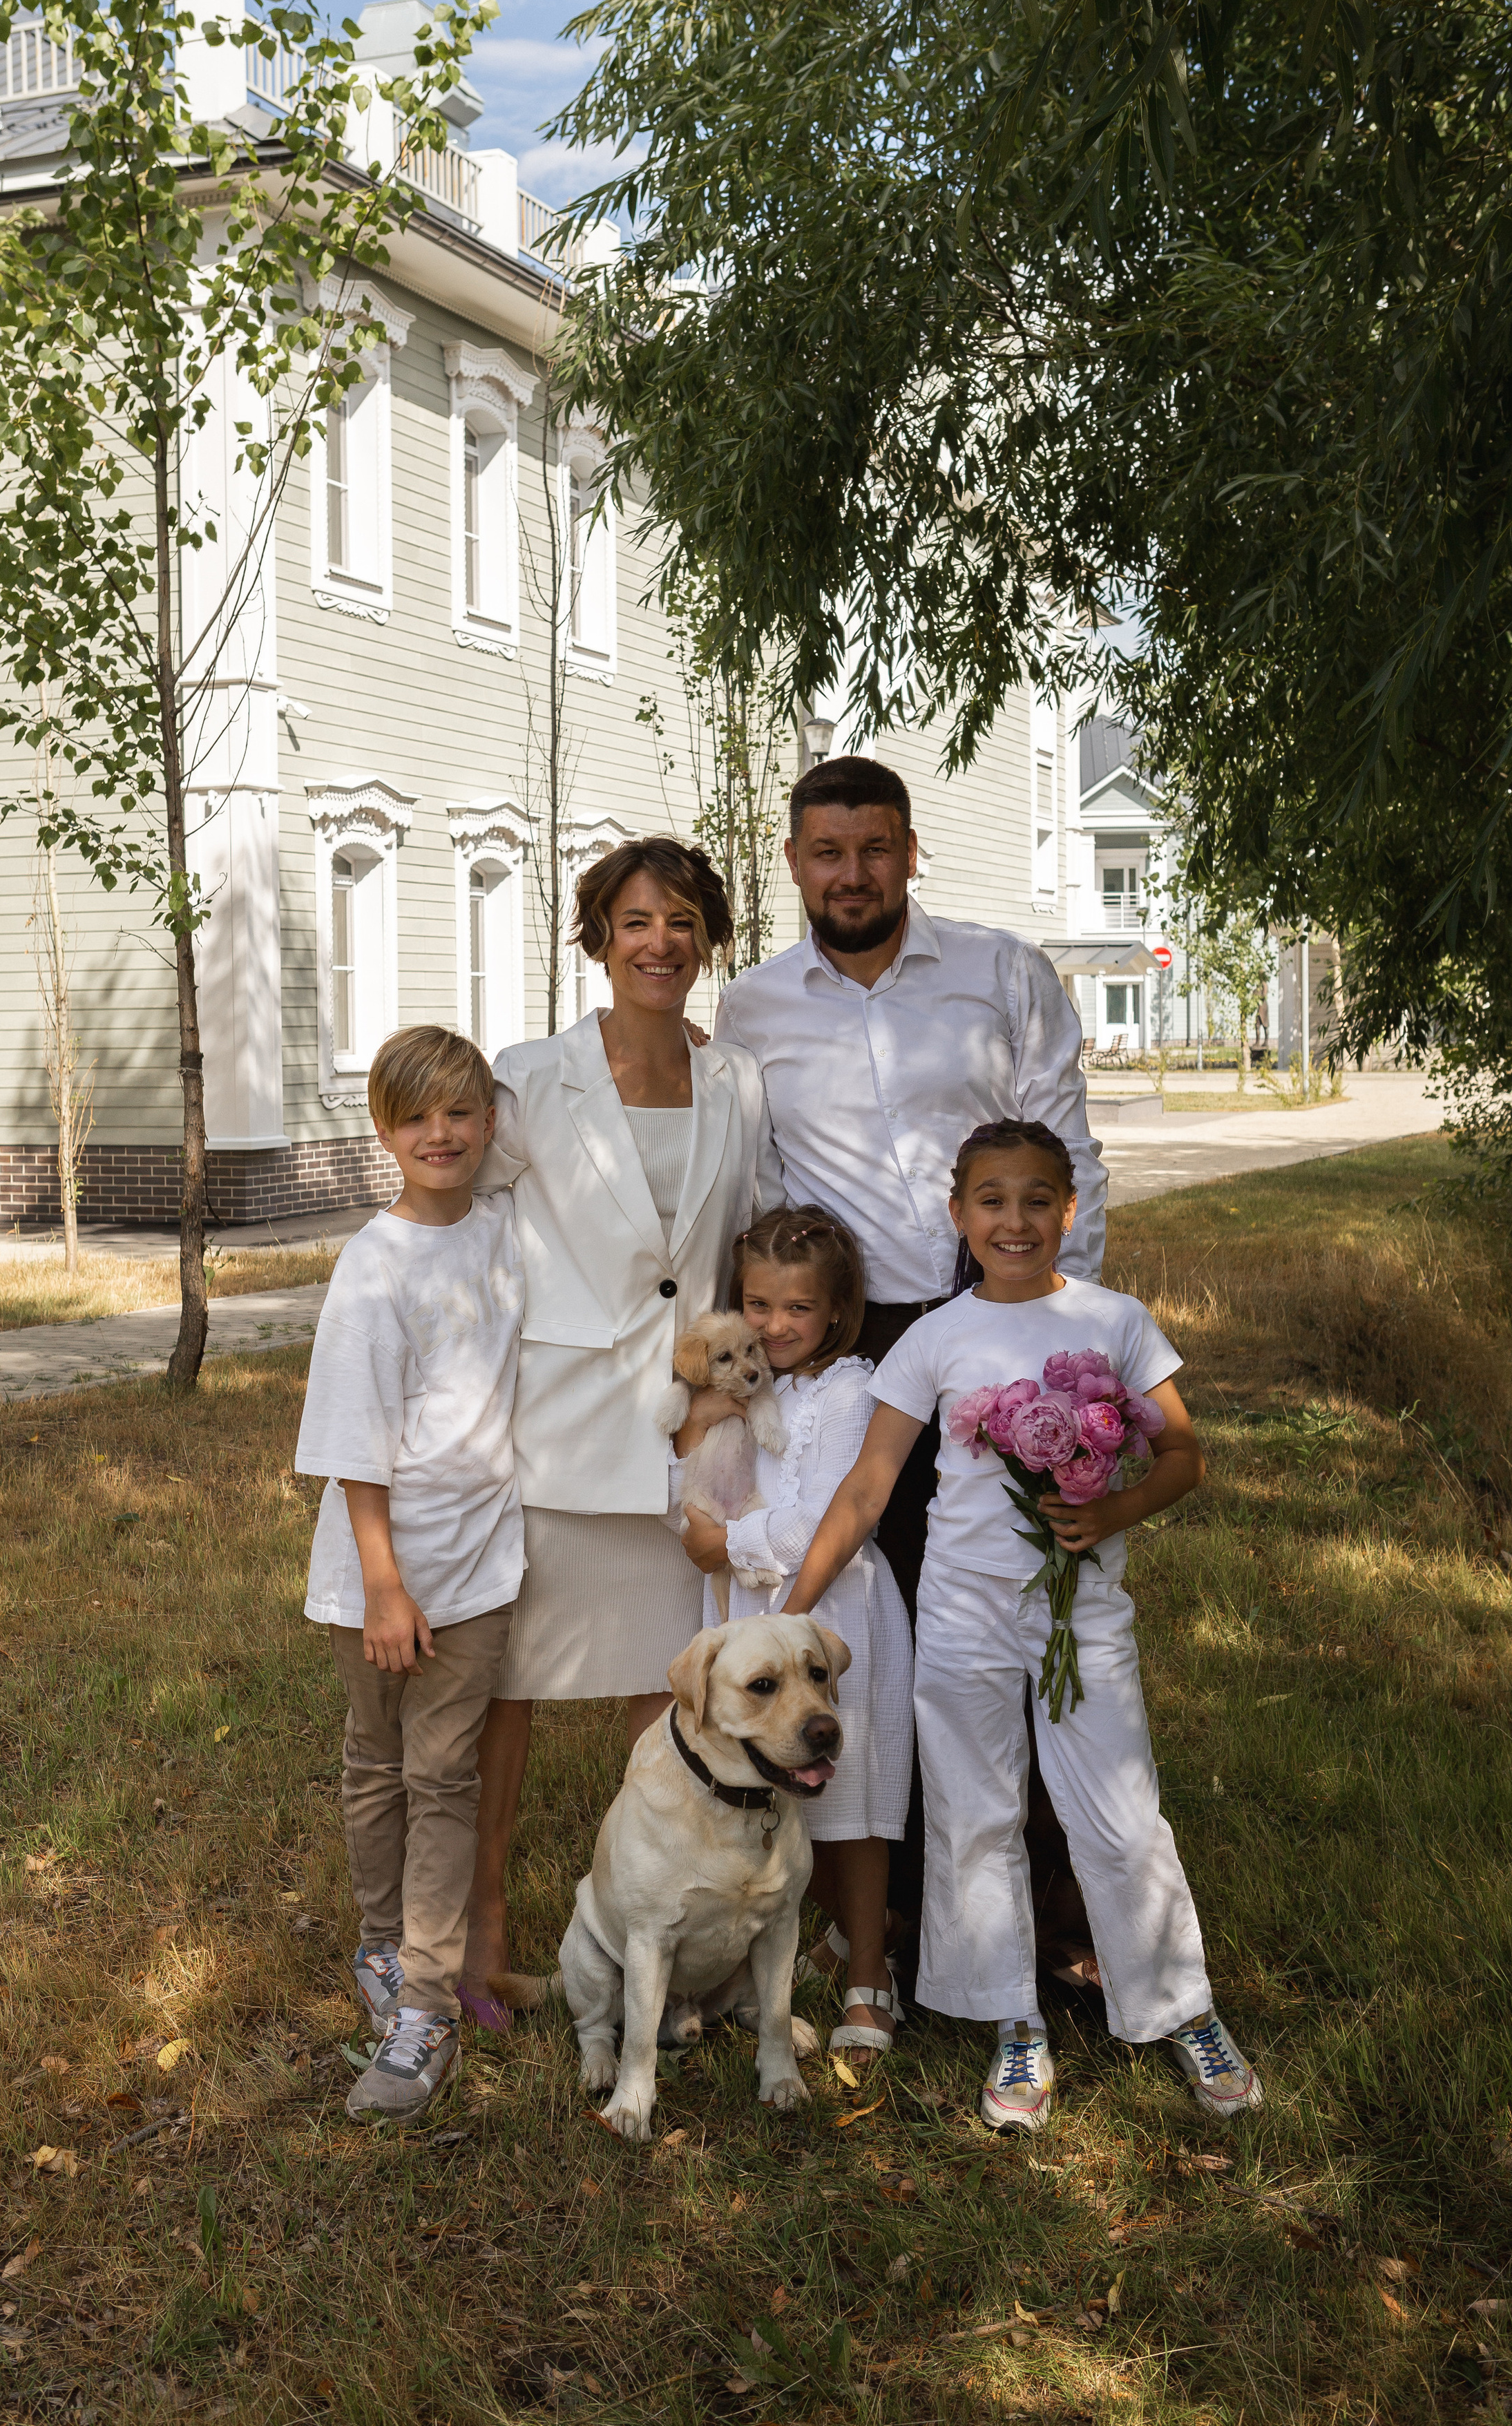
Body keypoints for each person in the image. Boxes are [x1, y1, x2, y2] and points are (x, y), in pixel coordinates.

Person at [783, 1116, 1263, 2132]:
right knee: (975, 1812)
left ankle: (1183, 2008)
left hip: (1082, 1611)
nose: (1015, 1221)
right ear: (958, 1215)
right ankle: (1015, 2019)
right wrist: (793, 1608)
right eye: (992, 1202)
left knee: (1120, 1813)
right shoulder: (935, 1337)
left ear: (1069, 1210)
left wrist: (1111, 1511)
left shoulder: (1114, 1320)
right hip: (962, 1613)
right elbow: (869, 1489)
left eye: (1037, 1201)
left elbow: (1182, 1456)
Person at [713, 752, 1106, 1980]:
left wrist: (1059, 1344)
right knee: (876, 1634)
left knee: (1015, 1612)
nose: (853, 874)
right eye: (828, 853)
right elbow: (765, 1187)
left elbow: (1069, 1158)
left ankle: (1062, 1916)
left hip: (993, 1325)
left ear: (911, 850)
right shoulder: (753, 1008)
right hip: (849, 1353)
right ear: (794, 863)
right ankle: (891, 1916)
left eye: (875, 848)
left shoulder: (1002, 973)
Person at [459, 836, 780, 2019]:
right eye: (637, 921)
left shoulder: (739, 1081)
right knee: (510, 1693)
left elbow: (748, 1239)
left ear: (709, 941)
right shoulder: (531, 1077)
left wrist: (732, 1385)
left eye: (684, 921)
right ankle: (484, 1921)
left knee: (677, 1700)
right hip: (557, 1429)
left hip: (691, 1440)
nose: (661, 942)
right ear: (599, 937)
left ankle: (679, 1939)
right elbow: (470, 1225)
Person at [294, 1025, 525, 2123]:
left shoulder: (504, 1235)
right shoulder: (374, 1265)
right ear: (384, 1131)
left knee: (442, 1778)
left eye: (461, 1113)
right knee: (375, 1763)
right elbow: (353, 1439)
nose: (442, 1134)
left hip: (479, 1568)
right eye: (417, 1117)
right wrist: (385, 1588)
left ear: (490, 1123)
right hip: (380, 1574)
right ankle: (381, 1944)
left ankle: (426, 2005)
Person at [669, 1205, 913, 2068]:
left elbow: (823, 1518)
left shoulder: (848, 1391)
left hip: (833, 1613)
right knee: (760, 1794)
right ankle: (774, 1958)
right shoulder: (737, 1387)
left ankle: (870, 1975)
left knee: (849, 1802)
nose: (774, 1326)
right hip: (744, 1618)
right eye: (758, 1305)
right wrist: (703, 1519)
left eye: (798, 1309)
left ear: (837, 1310)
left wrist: (726, 1543)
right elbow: (687, 1492)